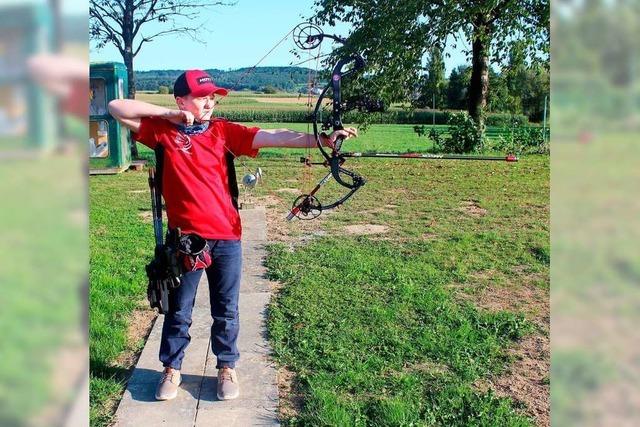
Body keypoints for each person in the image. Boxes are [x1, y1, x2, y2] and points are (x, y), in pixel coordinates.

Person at [108, 69, 356, 401]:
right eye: (201, 97)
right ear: (181, 99)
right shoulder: (161, 132)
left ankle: (226, 366)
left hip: (227, 238)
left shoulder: (223, 132)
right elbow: (115, 106)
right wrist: (171, 115)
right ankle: (172, 367)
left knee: (226, 308)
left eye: (212, 97)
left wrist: (322, 141)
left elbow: (274, 135)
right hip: (186, 241)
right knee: (179, 308)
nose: (209, 102)